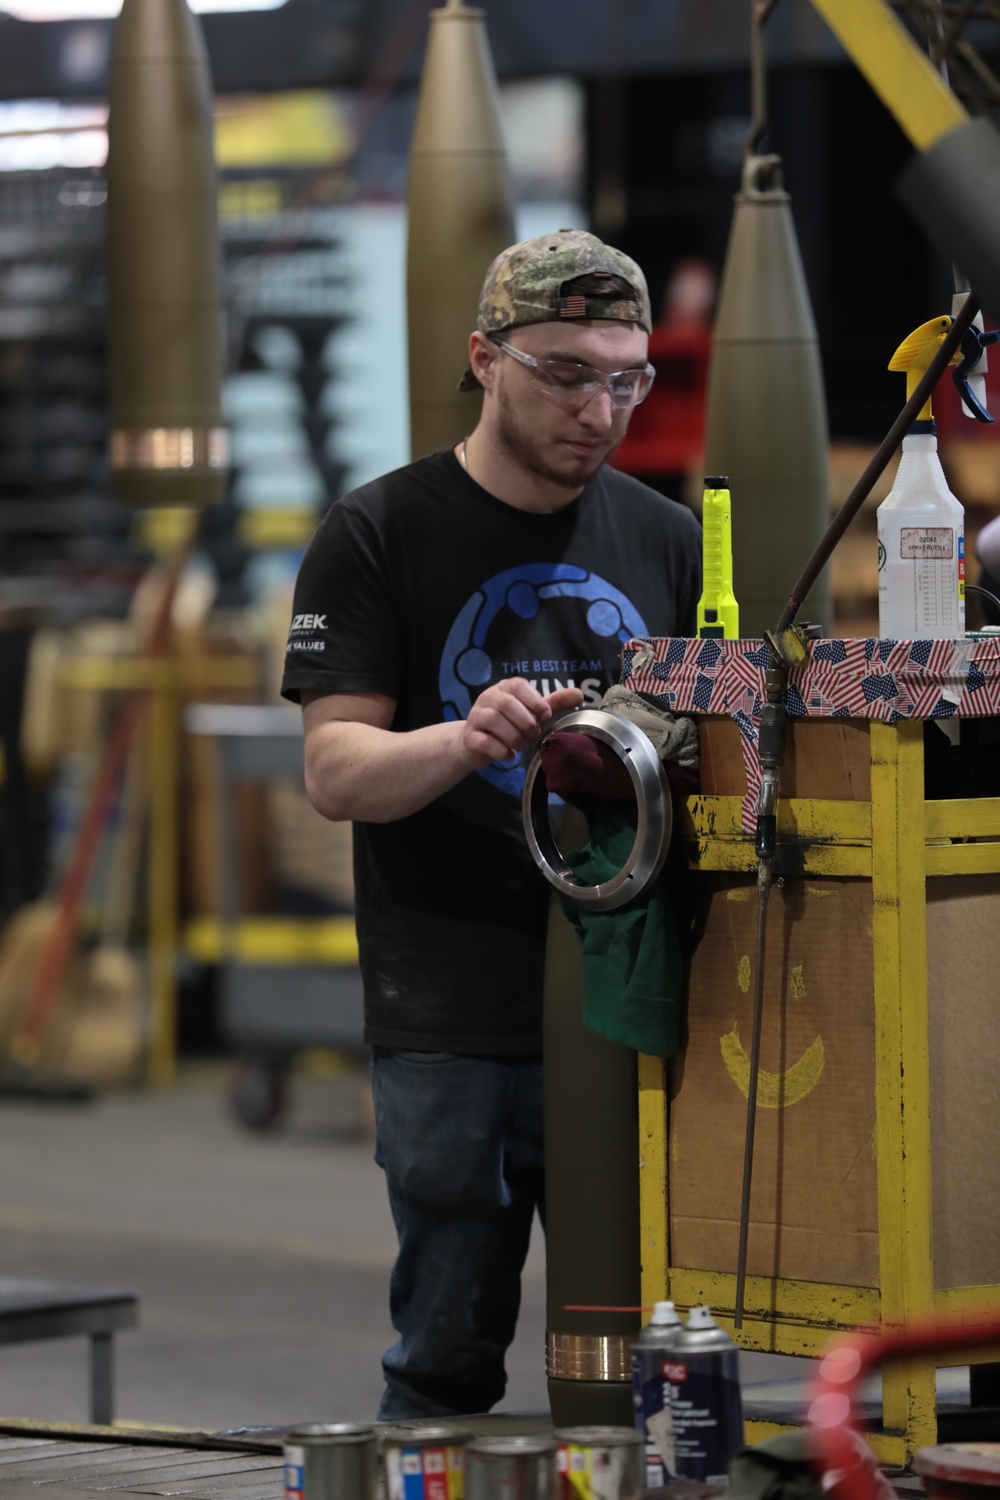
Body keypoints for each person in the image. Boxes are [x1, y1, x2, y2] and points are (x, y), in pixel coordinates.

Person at [281, 228, 702, 1420]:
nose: (599, 408)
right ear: (484, 357)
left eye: (626, 377)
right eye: (565, 372)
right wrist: (463, 738)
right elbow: (336, 770)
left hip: (627, 998)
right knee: (448, 1354)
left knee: (636, 1366)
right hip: (452, 1011)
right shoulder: (378, 534)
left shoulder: (667, 541)